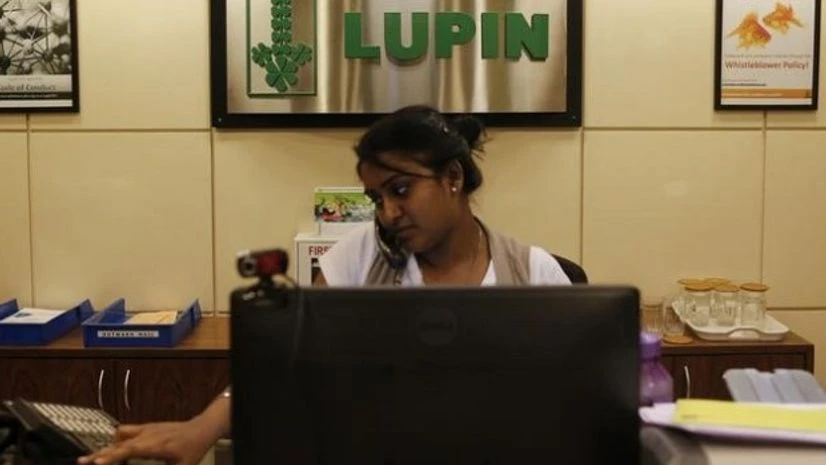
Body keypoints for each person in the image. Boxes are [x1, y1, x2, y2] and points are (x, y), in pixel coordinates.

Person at [77, 105, 572, 465]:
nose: (389, 212)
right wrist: (201, 429)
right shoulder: (358, 258)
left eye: (401, 190)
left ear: (453, 178)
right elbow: (285, 359)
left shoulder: (536, 274)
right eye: (377, 198)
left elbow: (569, 408)